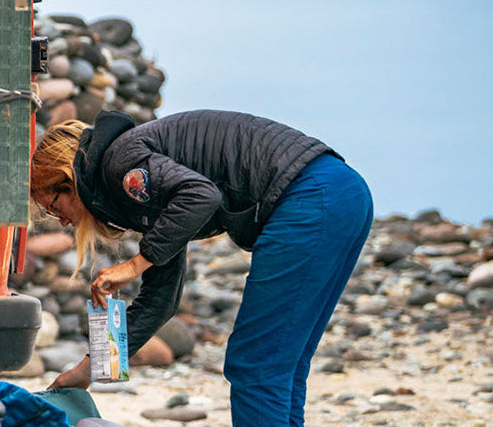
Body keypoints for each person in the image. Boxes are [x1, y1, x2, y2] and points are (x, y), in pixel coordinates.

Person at [31, 109, 372, 427]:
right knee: (282, 364)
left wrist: (134, 265)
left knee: (255, 365)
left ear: (68, 180)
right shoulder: (137, 184)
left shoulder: (120, 163)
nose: (60, 222)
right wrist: (88, 370)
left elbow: (201, 195)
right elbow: (161, 299)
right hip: (342, 192)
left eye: (53, 206)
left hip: (309, 197)